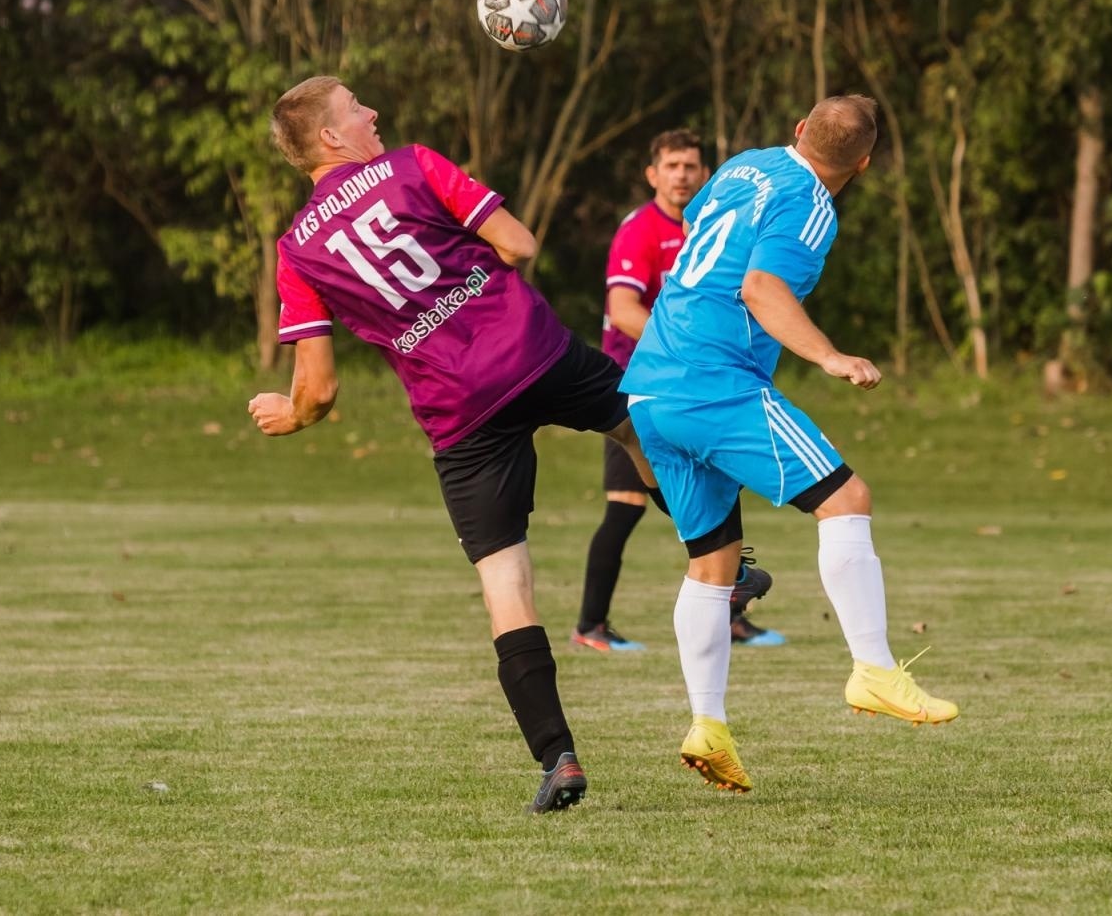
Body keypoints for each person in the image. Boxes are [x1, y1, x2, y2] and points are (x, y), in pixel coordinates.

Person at [248, 75, 660, 814]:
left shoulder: (297, 251)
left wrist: (292, 416)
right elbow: (520, 244)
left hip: (459, 410)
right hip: (532, 351)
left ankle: (558, 756)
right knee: (640, 427)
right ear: (332, 138)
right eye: (355, 108)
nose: (373, 112)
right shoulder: (411, 166)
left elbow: (319, 389)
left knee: (506, 580)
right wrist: (462, 268)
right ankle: (731, 565)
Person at [620, 95, 959, 793]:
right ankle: (873, 668)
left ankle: (707, 726)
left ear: (799, 129)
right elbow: (761, 285)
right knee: (847, 498)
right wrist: (829, 355)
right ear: (863, 165)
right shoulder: (812, 205)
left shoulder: (748, 165)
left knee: (714, 562)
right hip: (716, 386)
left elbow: (705, 240)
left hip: (651, 386)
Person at [574, 130, 785, 653]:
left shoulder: (717, 221)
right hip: (642, 383)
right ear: (653, 174)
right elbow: (623, 311)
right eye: (671, 165)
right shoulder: (640, 230)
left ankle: (730, 610)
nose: (682, 174)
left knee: (720, 489)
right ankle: (590, 626)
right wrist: (686, 350)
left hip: (700, 385)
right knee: (624, 507)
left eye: (691, 165)